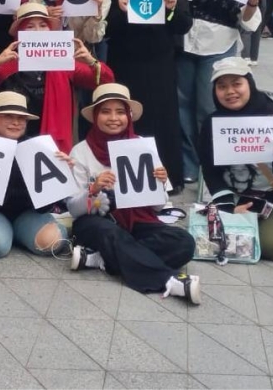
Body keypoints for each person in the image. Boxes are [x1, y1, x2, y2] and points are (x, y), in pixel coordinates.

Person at [66, 84, 200, 304]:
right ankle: (169, 280)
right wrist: (93, 190)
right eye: (105, 111)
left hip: (138, 220)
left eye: (120, 112)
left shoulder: (141, 146)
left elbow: (158, 207)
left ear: (128, 116)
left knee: (184, 243)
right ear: (95, 116)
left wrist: (160, 183)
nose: (113, 118)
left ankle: (102, 258)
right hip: (96, 222)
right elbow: (73, 208)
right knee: (110, 233)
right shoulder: (80, 151)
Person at [198, 58, 273, 261]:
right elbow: (209, 170)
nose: (230, 92)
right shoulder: (212, 123)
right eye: (222, 86)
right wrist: (228, 207)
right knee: (207, 239)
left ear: (250, 84)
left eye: (237, 84)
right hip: (235, 196)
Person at [177, 0, 264, 184]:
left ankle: (211, 165)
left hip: (219, 45)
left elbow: (248, 21)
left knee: (208, 106)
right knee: (182, 105)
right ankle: (188, 164)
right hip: (186, 41)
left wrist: (253, 1)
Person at [105, 0, 193, 192]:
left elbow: (184, 25)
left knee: (161, 120)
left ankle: (166, 178)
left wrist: (171, 8)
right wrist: (119, 10)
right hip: (124, 66)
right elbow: (104, 30)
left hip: (159, 67)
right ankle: (125, 179)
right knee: (125, 117)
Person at [0, 3, 113, 151]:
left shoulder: (64, 63)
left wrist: (91, 61)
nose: (37, 31)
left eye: (43, 25)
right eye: (30, 26)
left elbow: (105, 82)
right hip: (13, 138)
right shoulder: (8, 62)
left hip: (52, 143)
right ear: (19, 33)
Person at [0, 91, 70, 261]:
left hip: (28, 213)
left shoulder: (38, 149)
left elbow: (45, 206)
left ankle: (21, 233)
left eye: (21, 118)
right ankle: (12, 234)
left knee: (52, 241)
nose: (16, 122)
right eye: (8, 116)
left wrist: (63, 172)